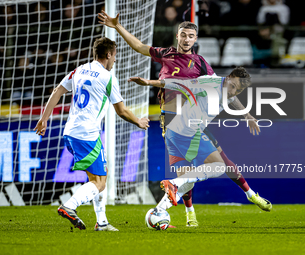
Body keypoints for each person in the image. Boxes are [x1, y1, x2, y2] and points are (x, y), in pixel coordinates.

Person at [98, 12, 267, 227]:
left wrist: (247, 114)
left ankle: (234, 199)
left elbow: (225, 92)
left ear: (195, 40)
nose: (187, 39)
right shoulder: (165, 54)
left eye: (191, 36)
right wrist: (118, 27)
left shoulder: (201, 64)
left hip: (191, 119)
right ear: (177, 36)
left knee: (209, 166)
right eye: (183, 35)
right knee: (195, 171)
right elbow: (140, 47)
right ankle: (188, 210)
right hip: (171, 117)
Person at [34, 37, 150, 231]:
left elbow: (57, 91)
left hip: (70, 132)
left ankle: (102, 222)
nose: (115, 60)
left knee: (96, 178)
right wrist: (138, 121)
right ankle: (70, 206)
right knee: (100, 182)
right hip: (86, 134)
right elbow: (121, 111)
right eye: (115, 56)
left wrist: (43, 118)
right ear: (108, 54)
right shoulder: (107, 77)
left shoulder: (78, 70)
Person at [128, 67, 272, 212]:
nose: (233, 92)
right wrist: (149, 82)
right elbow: (179, 84)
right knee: (219, 166)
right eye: (233, 86)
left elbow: (233, 98)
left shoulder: (228, 90)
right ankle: (174, 183)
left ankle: (158, 212)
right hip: (187, 131)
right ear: (227, 78)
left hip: (175, 132)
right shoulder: (208, 84)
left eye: (238, 90)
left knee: (188, 182)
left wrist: (246, 115)